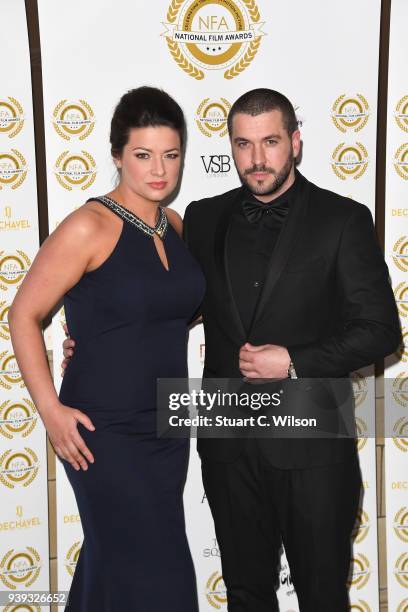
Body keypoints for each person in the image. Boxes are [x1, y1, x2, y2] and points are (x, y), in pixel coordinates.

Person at [63, 88, 401, 611]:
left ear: (296, 142)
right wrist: (97, 338)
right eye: (243, 144)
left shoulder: (343, 219)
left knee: (322, 596)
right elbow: (170, 298)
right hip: (227, 444)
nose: (257, 158)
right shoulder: (199, 218)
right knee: (245, 595)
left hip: (312, 442)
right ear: (230, 148)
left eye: (270, 142)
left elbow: (381, 331)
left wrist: (292, 361)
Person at [9, 86, 204, 612]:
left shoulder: (176, 225)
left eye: (170, 154)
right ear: (117, 155)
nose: (158, 170)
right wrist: (50, 411)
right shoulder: (88, 226)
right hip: (102, 431)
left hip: (167, 426)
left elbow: (173, 309)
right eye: (143, 155)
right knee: (159, 581)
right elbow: (23, 315)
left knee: (111, 573)